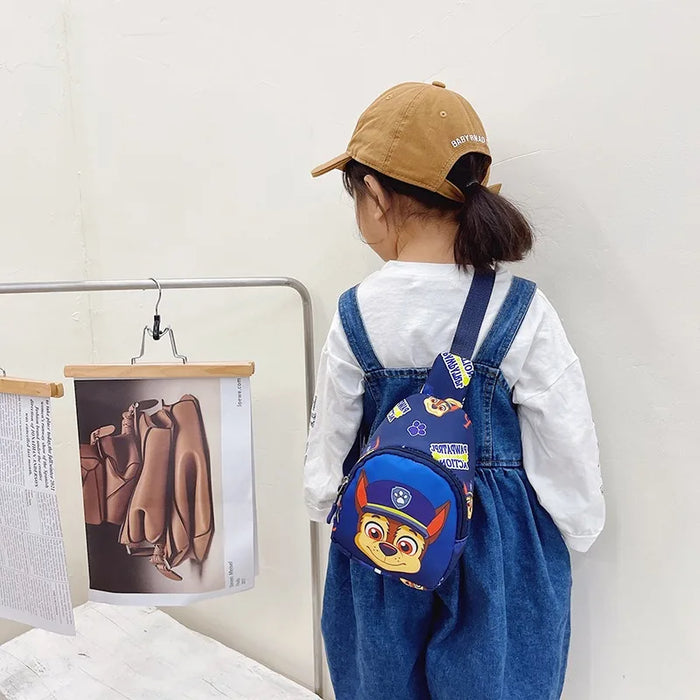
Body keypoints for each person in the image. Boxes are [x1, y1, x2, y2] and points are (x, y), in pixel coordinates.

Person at [304, 80, 605, 700]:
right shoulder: (522, 308)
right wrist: (577, 524)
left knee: (379, 682)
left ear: (375, 196)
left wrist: (323, 498)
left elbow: (328, 441)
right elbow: (565, 434)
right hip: (499, 543)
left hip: (384, 533)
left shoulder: (357, 312)